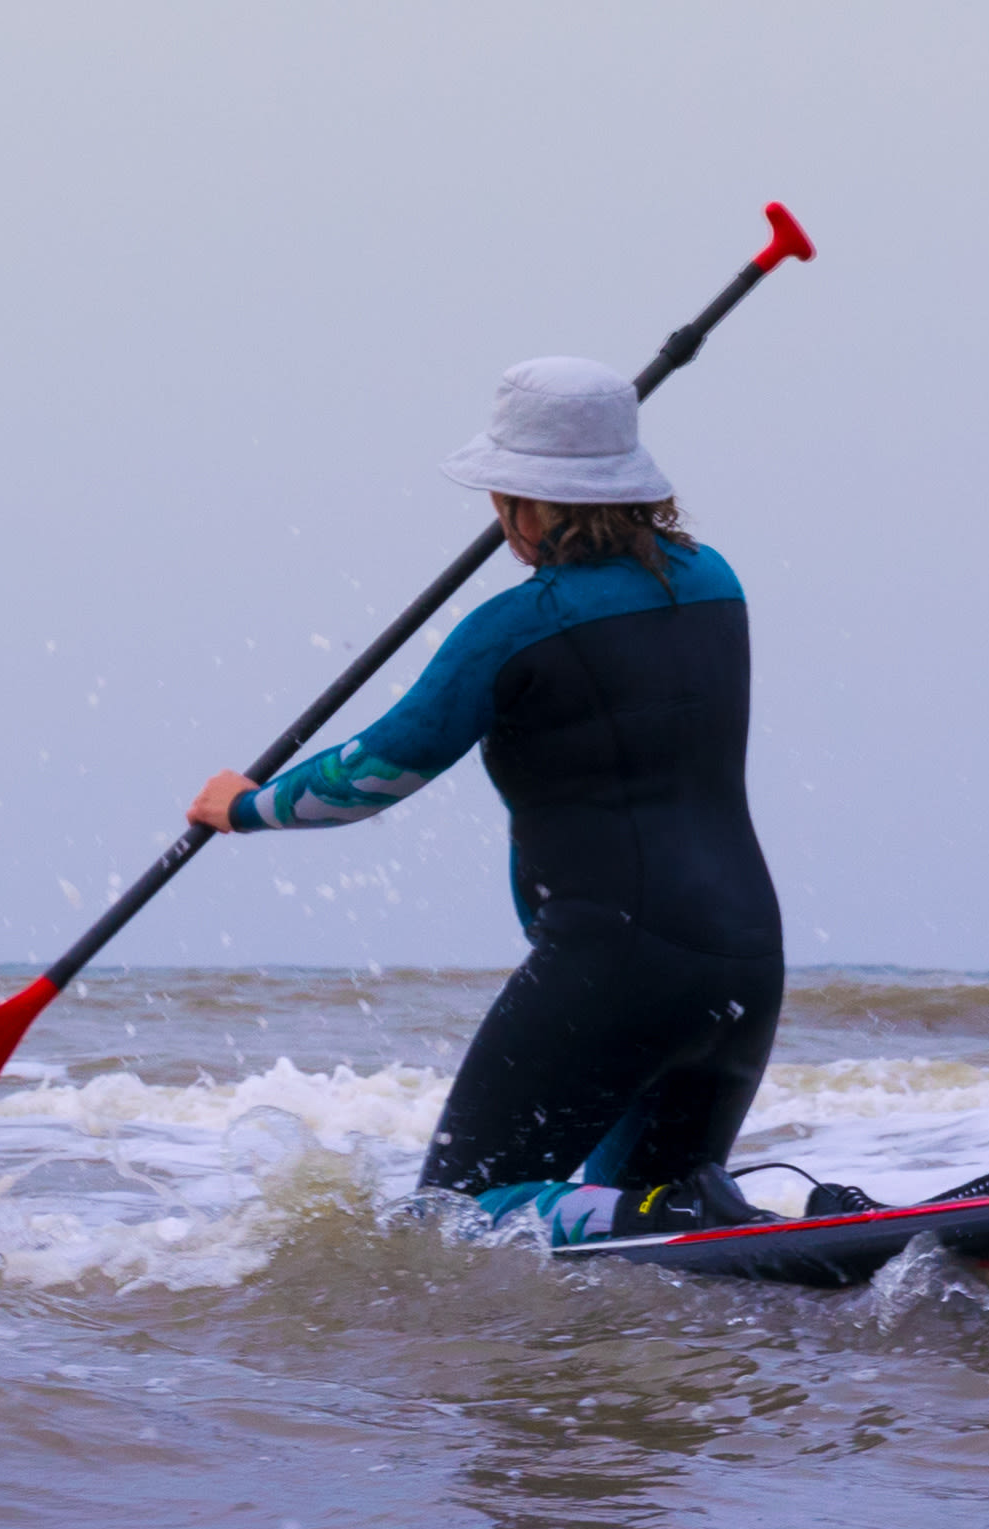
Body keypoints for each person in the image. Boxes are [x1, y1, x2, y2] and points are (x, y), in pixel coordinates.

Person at [190, 356, 787, 1235]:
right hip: (745, 959)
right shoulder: (714, 582)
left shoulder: (514, 628)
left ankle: (714, 1227)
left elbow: (374, 773)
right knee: (664, 1236)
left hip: (615, 966)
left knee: (457, 1218)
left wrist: (242, 805)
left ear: (522, 502)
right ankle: (807, 1238)